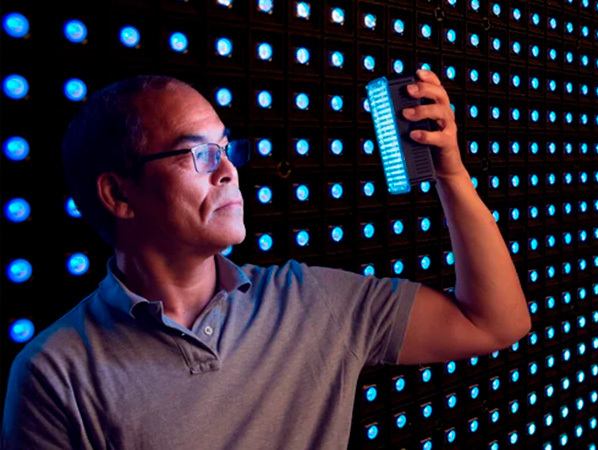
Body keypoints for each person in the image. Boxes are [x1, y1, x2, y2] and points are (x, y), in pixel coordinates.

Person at [2, 71, 530, 449]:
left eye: (228, 149)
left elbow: (494, 322)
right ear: (118, 195)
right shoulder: (56, 374)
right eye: (199, 154)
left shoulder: (310, 302)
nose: (229, 170)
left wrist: (452, 176)